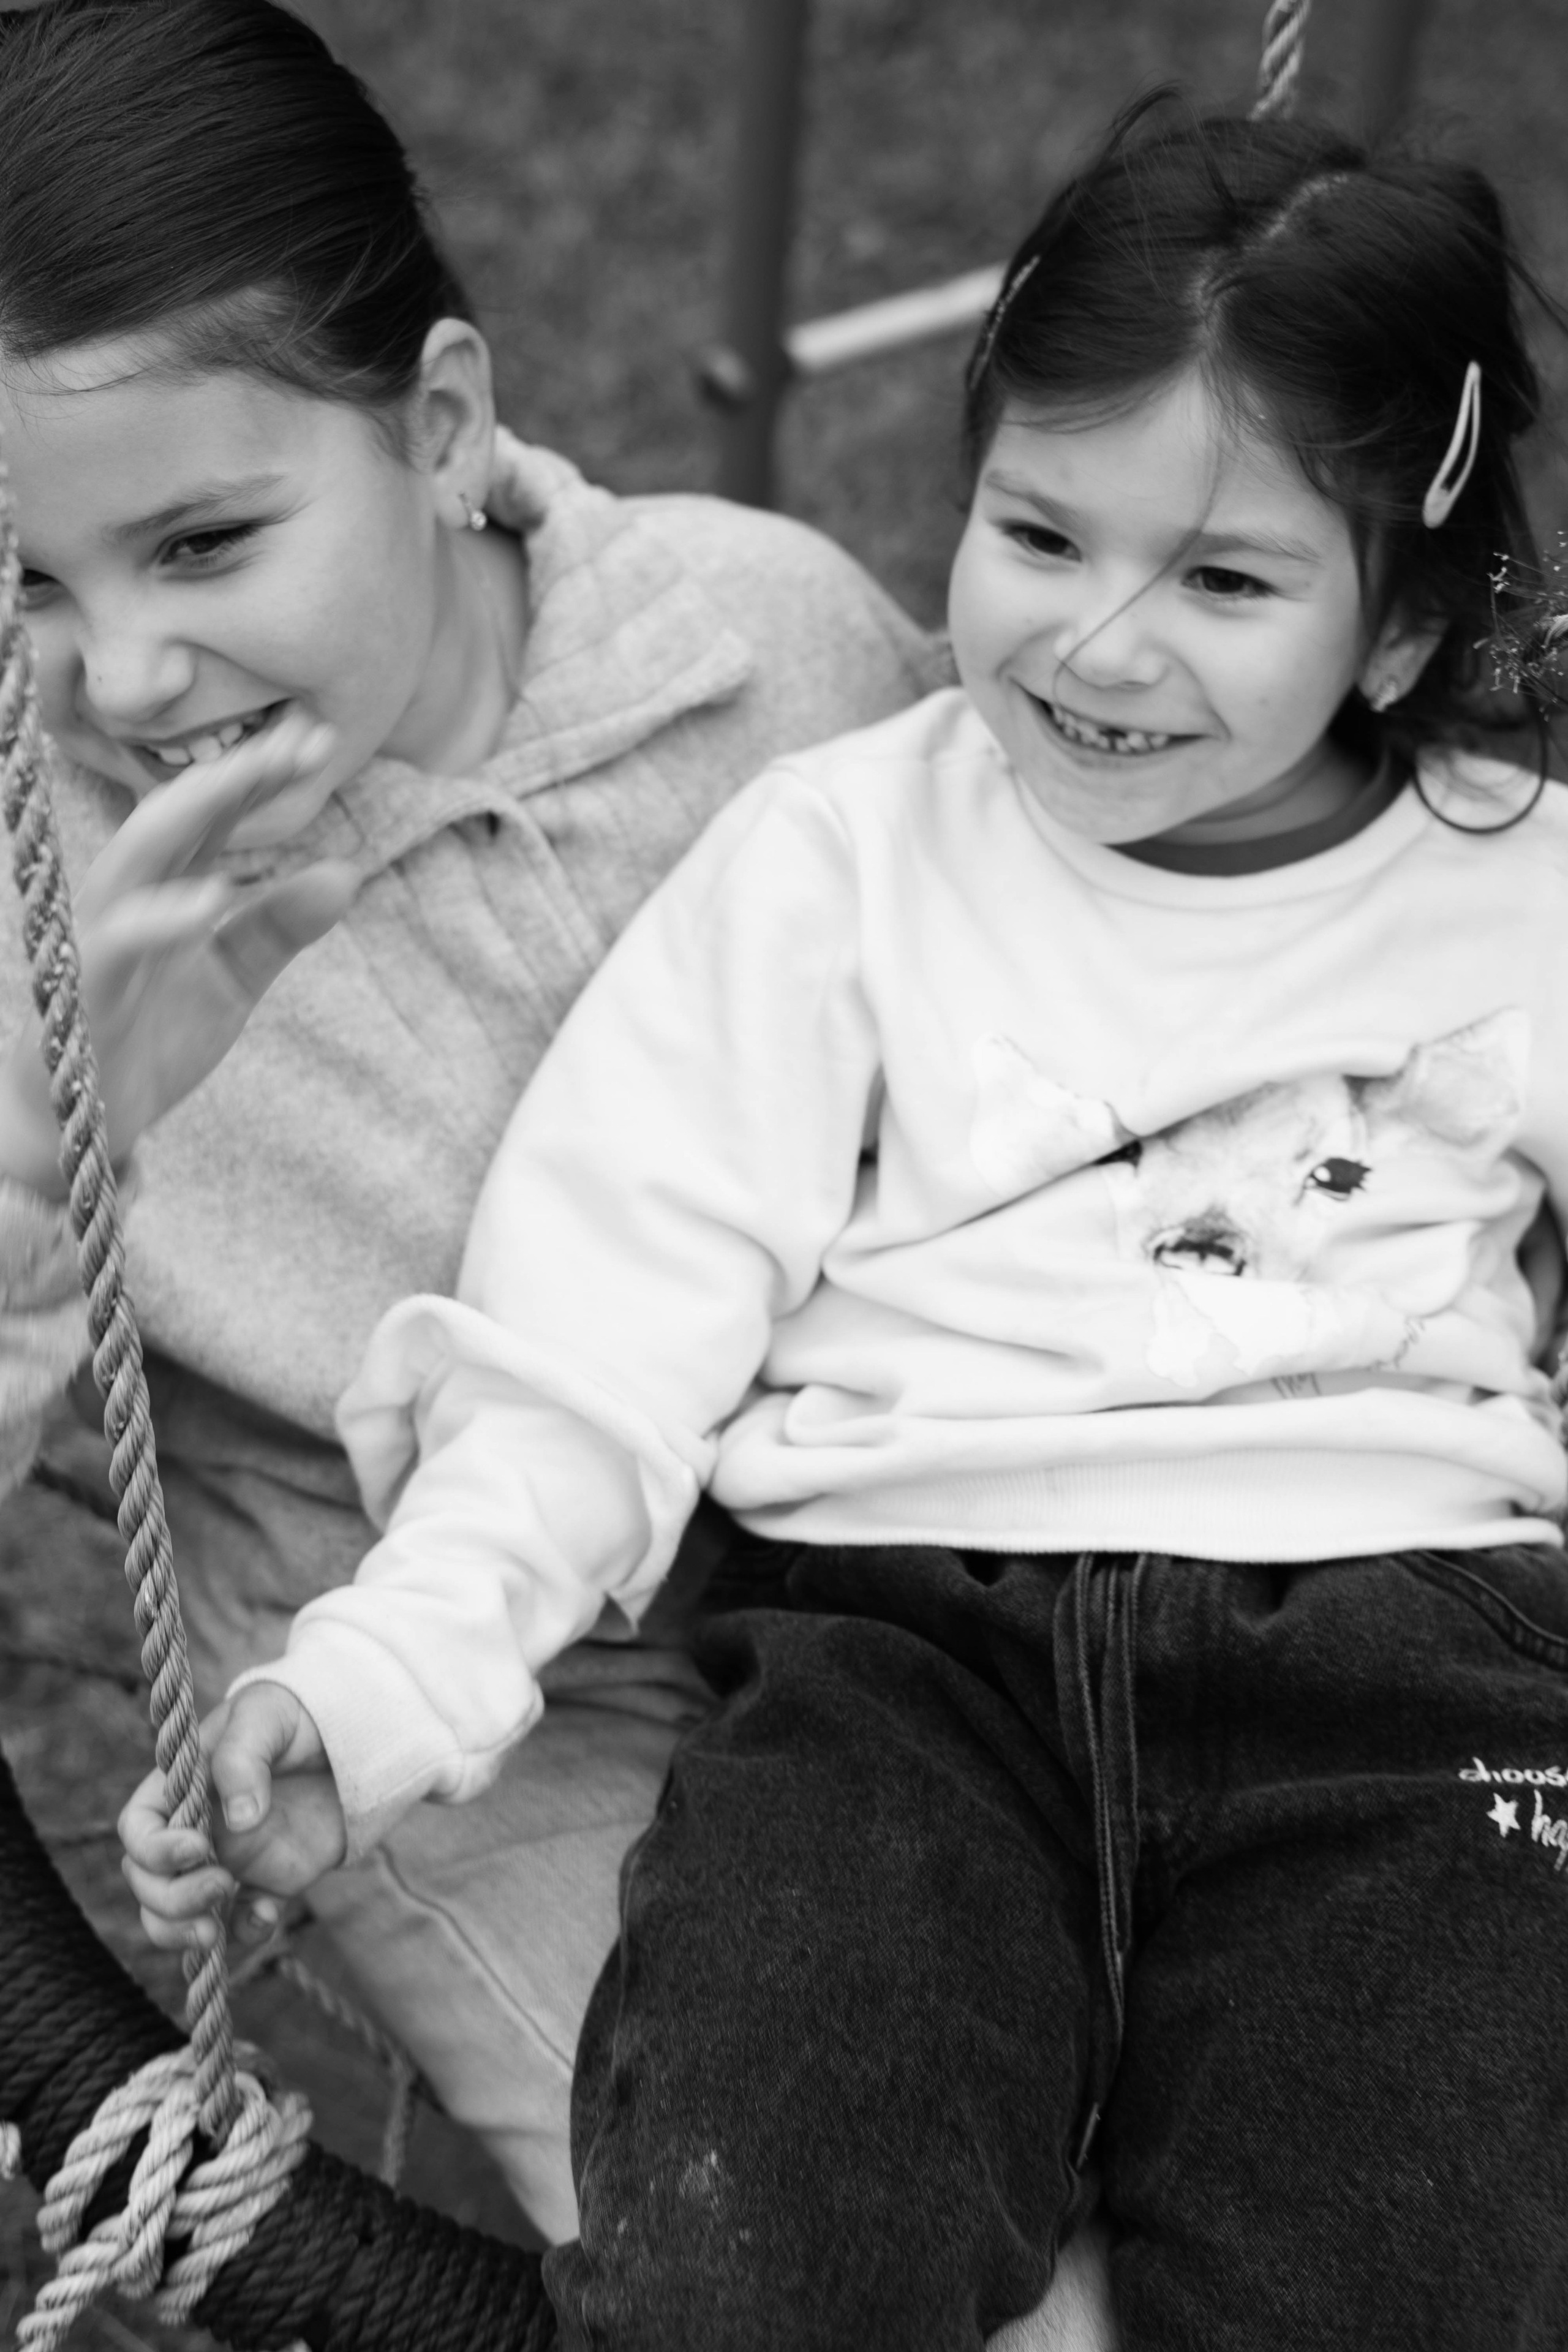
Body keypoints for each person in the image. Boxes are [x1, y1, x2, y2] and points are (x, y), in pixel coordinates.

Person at [126, 92, 1568, 2348]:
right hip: (913, 1669)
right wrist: (388, 1675)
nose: (1099, 647)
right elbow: (605, 1317)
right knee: (759, 2252)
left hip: (1404, 1670)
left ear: (1396, 631)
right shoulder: (844, 858)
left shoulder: (1522, 900)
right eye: (1039, 533)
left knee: (1427, 2266)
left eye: (1224, 581)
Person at [0, 0, 946, 2253]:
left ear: (437, 428)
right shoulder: (42, 888)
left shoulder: (767, 642)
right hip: (434, 1690)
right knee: (780, 2228)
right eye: (33, 579)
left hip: (912, 1546)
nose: (125, 676)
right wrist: (65, 1144)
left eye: (208, 543)